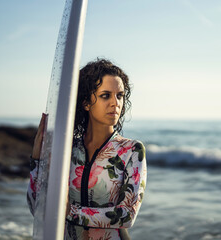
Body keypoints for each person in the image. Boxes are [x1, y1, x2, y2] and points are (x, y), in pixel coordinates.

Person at [27, 58, 147, 240]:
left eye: (120, 95)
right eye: (105, 95)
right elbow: (36, 206)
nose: (116, 103)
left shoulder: (131, 150)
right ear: (86, 103)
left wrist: (70, 212)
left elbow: (127, 215)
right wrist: (37, 159)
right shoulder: (68, 149)